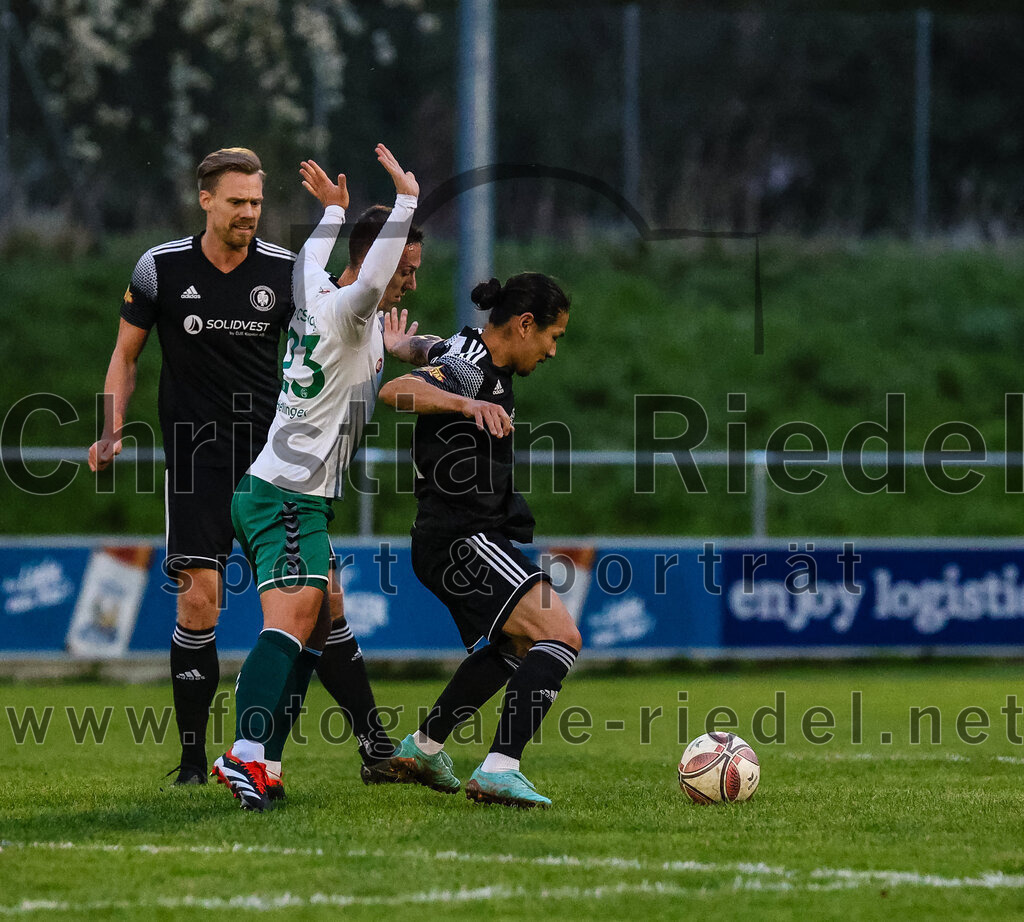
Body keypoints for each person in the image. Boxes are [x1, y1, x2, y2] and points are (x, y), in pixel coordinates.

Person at [88, 148, 412, 790]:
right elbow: (125, 355)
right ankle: (194, 762)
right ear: (205, 199)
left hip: (272, 456)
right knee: (199, 605)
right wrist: (110, 427)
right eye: (237, 201)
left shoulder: (284, 272)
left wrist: (379, 342)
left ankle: (365, 744)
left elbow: (334, 325)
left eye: (257, 203)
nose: (248, 213)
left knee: (321, 607)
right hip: (197, 465)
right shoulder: (160, 269)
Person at [213, 144, 439, 811]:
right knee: (291, 621)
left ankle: (269, 763)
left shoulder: (318, 292)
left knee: (321, 619)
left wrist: (334, 212)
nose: (410, 282)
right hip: (286, 497)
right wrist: (406, 201)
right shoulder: (351, 309)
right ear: (378, 261)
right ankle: (245, 753)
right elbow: (367, 287)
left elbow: (315, 256)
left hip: (287, 494)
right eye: (407, 268)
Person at [378, 272, 581, 809]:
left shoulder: (466, 350)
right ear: (525, 324)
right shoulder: (470, 371)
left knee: (511, 647)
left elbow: (430, 352)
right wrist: (464, 406)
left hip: (453, 538)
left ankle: (423, 748)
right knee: (559, 636)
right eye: (552, 337)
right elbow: (394, 392)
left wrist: (404, 345)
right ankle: (499, 768)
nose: (553, 351)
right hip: (462, 537)